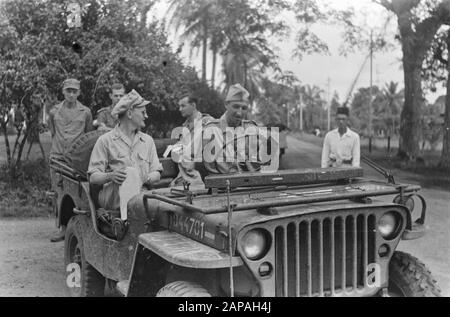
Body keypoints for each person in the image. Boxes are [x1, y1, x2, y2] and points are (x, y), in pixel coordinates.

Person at [88, 89, 162, 213]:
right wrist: (111, 176)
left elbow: (157, 173)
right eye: (143, 112)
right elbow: (93, 178)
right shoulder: (105, 141)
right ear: (129, 114)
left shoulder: (148, 141)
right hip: (114, 198)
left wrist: (145, 178)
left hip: (141, 195)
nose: (146, 116)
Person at [48, 78, 93, 242]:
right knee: (59, 191)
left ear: (79, 93)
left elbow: (88, 136)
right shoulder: (54, 112)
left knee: (74, 193)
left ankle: (76, 227)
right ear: (63, 92)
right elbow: (53, 133)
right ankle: (63, 229)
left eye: (75, 91)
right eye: (69, 91)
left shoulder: (86, 112)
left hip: (75, 161)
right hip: (57, 158)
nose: (72, 94)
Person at [201, 84, 277, 174]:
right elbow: (197, 165)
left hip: (250, 185)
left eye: (244, 108)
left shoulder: (252, 129)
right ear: (226, 104)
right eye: (236, 106)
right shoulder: (210, 130)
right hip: (221, 186)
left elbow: (267, 156)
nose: (239, 113)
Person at [170, 93, 213, 187]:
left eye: (183, 106)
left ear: (193, 105)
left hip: (206, 170)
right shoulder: (184, 128)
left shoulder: (207, 121)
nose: (180, 109)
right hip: (188, 172)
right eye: (179, 106)